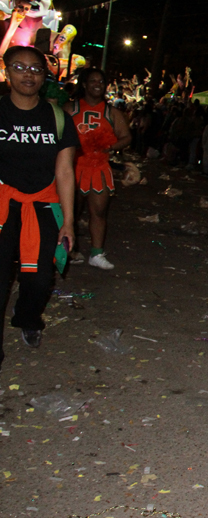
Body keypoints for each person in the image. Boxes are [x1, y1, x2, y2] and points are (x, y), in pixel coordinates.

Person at [0, 46, 78, 366]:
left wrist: (69, 221)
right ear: (7, 72)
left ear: (44, 77)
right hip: (3, 206)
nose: (28, 74)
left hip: (43, 206)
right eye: (20, 67)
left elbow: (65, 171)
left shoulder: (57, 117)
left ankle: (28, 318)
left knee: (40, 278)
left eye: (36, 69)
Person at [64, 67, 132, 270]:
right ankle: (69, 251)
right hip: (73, 165)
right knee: (70, 212)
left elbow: (127, 137)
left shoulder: (112, 112)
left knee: (99, 211)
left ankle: (96, 253)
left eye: (101, 82)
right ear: (84, 84)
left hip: (99, 167)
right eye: (92, 81)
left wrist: (109, 146)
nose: (97, 85)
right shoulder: (70, 108)